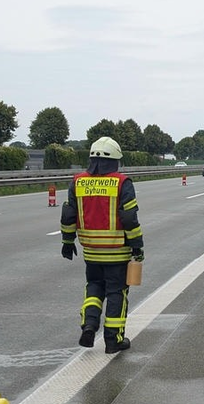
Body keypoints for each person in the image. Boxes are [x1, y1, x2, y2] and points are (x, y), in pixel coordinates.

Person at [60, 136, 144, 354]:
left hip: (91, 252)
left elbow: (68, 215)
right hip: (117, 252)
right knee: (117, 293)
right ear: (115, 160)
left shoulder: (77, 182)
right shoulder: (122, 183)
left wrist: (67, 242)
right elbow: (129, 219)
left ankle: (89, 325)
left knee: (94, 288)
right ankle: (113, 340)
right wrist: (137, 246)